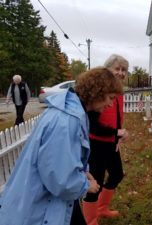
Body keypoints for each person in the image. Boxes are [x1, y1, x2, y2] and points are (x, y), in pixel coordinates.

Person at [0, 67, 123, 225]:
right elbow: (59, 180)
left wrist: (82, 173)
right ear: (97, 92)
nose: (111, 105)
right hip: (40, 206)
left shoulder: (71, 111)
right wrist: (86, 185)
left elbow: (60, 160)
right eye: (110, 98)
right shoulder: (66, 121)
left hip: (50, 200)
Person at [82, 54, 129, 225]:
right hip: (96, 143)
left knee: (116, 174)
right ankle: (90, 220)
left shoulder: (118, 91)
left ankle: (102, 208)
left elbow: (116, 118)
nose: (121, 72)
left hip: (111, 143)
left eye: (124, 69)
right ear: (107, 69)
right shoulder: (100, 91)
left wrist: (118, 135)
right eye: (117, 68)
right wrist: (117, 132)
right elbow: (92, 125)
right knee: (96, 183)